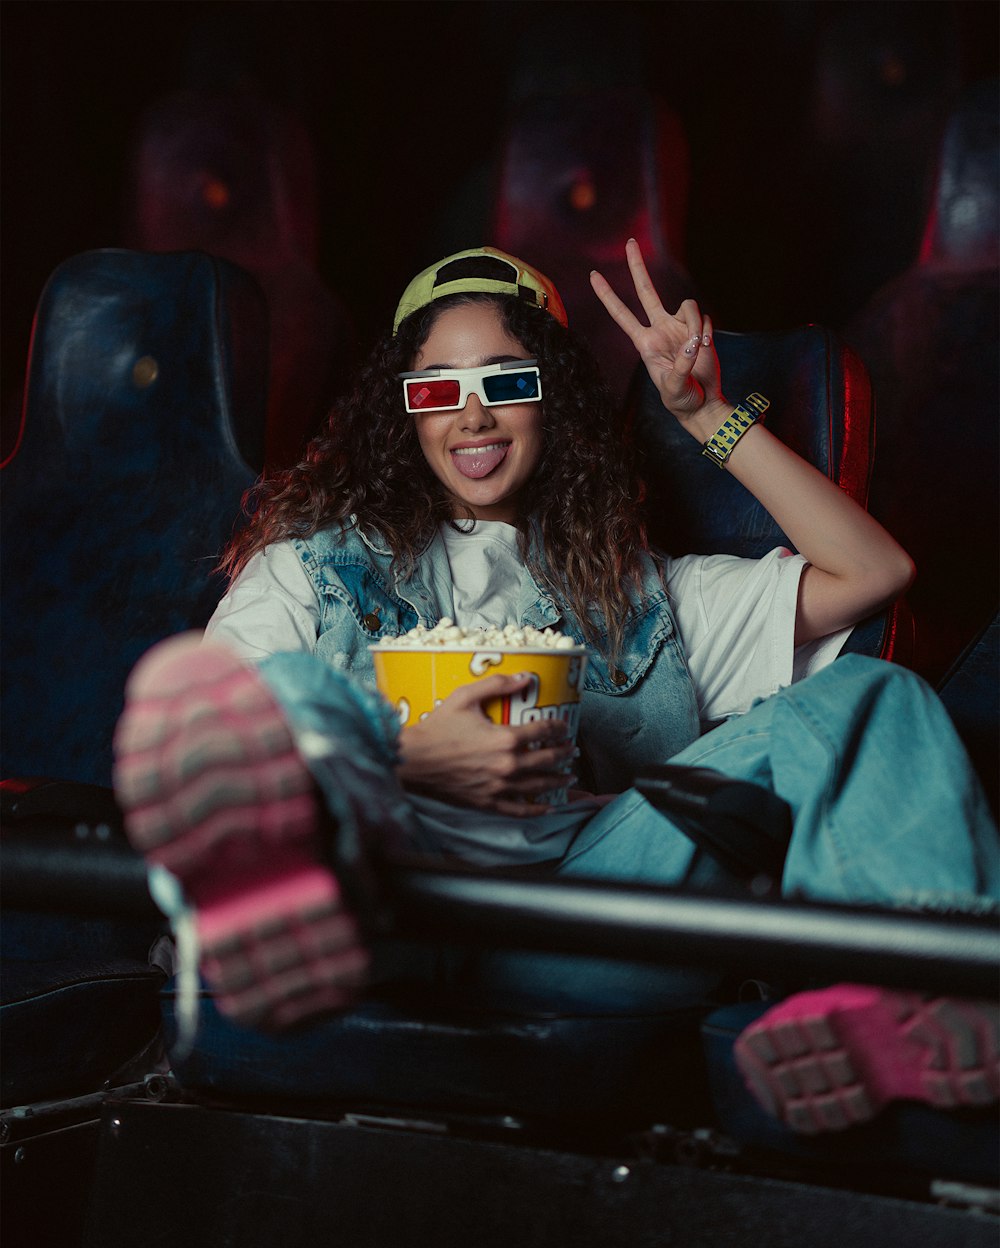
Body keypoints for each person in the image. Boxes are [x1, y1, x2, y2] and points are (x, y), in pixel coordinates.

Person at [113, 242, 999, 1135]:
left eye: (505, 383)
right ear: (401, 413)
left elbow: (875, 570)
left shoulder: (641, 590)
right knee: (291, 702)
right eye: (436, 390)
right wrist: (406, 752)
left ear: (554, 399)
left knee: (872, 700)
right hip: (376, 909)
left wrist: (706, 415)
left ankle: (923, 1002)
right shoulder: (308, 571)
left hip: (575, 925)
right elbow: (213, 741)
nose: (472, 418)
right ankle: (263, 921)